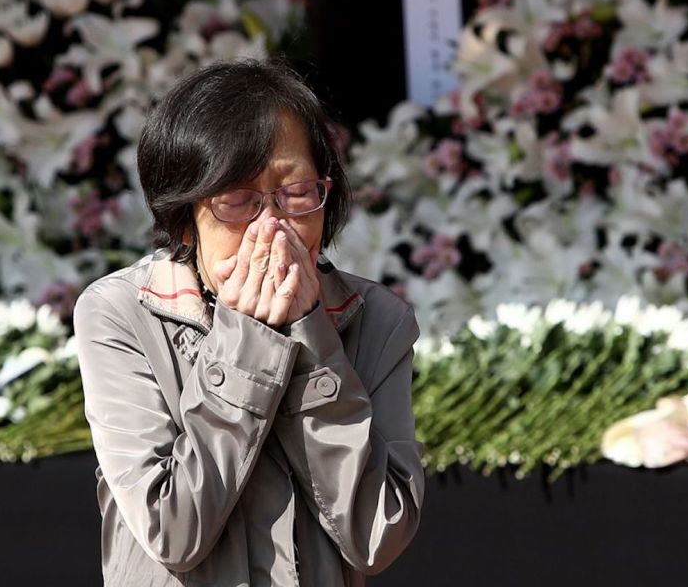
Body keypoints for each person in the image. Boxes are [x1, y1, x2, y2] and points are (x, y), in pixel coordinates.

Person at [72, 56, 424, 586]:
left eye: (297, 194)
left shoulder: (378, 320)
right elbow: (172, 531)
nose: (273, 227)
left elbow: (376, 536)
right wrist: (249, 341)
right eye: (237, 200)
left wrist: (311, 343)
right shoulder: (120, 313)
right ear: (184, 218)